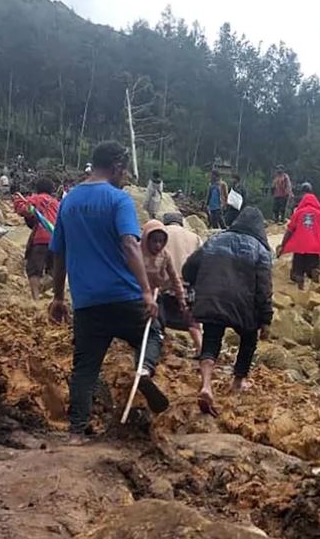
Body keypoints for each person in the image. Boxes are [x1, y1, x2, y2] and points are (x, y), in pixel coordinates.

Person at [48, 141, 168, 442]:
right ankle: (143, 370)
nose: (125, 176)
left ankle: (76, 432)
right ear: (116, 167)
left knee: (85, 368)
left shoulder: (69, 201)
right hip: (124, 296)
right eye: (124, 170)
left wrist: (59, 297)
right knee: (152, 332)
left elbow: (59, 254)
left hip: (87, 302)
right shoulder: (119, 200)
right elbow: (130, 244)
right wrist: (145, 291)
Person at [182, 207, 273, 417]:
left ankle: (206, 384)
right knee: (248, 340)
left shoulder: (216, 239)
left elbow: (189, 267)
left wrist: (197, 286)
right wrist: (266, 319)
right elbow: (264, 288)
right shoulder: (261, 250)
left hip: (213, 298)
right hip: (244, 306)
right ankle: (238, 381)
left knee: (212, 339)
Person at [161, 212, 204, 354]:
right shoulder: (194, 237)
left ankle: (156, 347)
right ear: (181, 222)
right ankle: (201, 350)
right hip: (187, 287)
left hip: (163, 286)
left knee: (157, 320)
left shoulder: (160, 233)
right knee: (193, 323)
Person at [12, 177, 60, 300]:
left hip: (40, 239)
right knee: (54, 269)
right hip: (56, 239)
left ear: (37, 189)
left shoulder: (35, 199)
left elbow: (22, 209)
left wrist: (17, 200)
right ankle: (47, 287)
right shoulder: (57, 203)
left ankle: (36, 298)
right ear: (52, 190)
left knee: (34, 270)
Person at [277, 186, 320, 290]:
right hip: (314, 248)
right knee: (312, 268)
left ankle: (300, 285)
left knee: (296, 272)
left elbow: (289, 231)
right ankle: (314, 281)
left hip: (299, 246)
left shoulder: (298, 213)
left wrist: (283, 245)